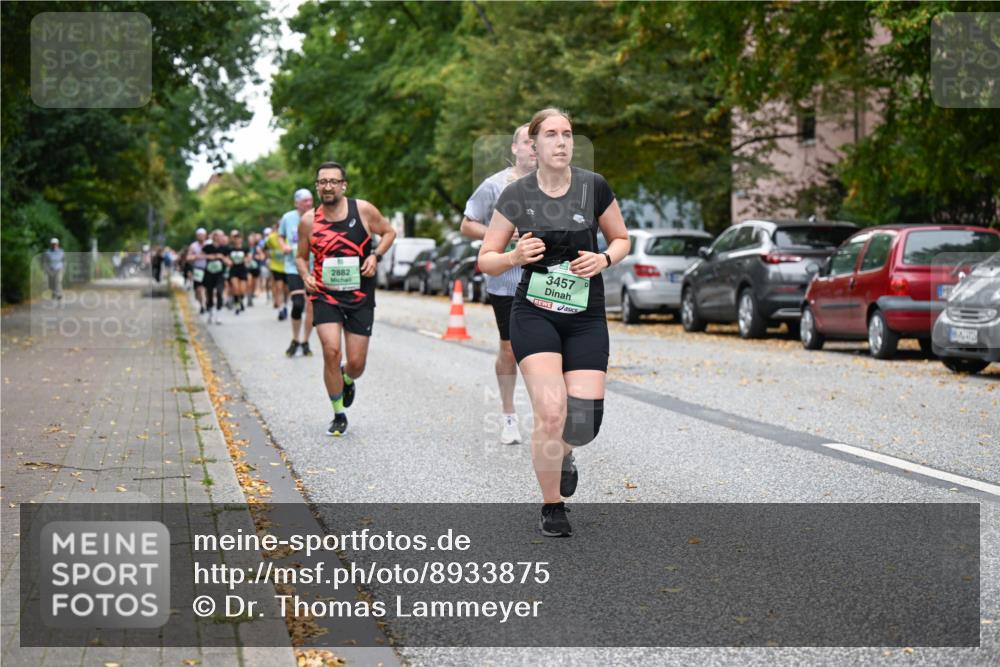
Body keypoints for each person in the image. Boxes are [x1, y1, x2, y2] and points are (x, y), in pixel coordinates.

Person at [478, 108, 629, 538]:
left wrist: (604, 259)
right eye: (551, 134)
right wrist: (513, 256)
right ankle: (552, 506)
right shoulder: (516, 194)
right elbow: (486, 259)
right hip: (535, 313)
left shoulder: (593, 187)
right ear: (534, 144)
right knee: (550, 412)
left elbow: (621, 239)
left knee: (583, 424)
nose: (561, 142)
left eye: (567, 134)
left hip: (585, 316)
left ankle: (564, 454)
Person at [298, 161, 396, 437]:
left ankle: (346, 377)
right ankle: (338, 413)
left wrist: (375, 256)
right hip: (325, 295)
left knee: (356, 364)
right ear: (317, 187)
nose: (328, 186)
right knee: (331, 351)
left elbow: (389, 232)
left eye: (333, 181)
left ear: (343, 185)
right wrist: (305, 275)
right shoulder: (309, 221)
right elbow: (300, 257)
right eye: (323, 182)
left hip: (360, 296)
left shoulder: (363, 210)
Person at [460, 123, 536, 445]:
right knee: (510, 348)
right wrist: (500, 234)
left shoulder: (557, 184)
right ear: (515, 148)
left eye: (538, 141)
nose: (534, 148)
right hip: (506, 280)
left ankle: (547, 415)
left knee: (546, 348)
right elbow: (467, 225)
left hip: (546, 279)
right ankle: (508, 415)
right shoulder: (494, 185)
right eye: (527, 142)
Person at [280, 189, 316, 357]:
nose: (308, 203)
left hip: (313, 267)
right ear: (297, 203)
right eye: (305, 201)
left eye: (310, 200)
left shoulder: (318, 216)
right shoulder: (288, 218)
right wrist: (284, 246)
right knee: (298, 303)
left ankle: (305, 341)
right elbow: (280, 236)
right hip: (293, 266)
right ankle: (295, 339)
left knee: (310, 306)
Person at [201, 229, 232, 324]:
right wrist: (209, 256)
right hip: (209, 273)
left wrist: (222, 257)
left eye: (223, 236)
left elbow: (230, 263)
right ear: (215, 237)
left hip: (219, 274)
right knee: (209, 293)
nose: (222, 237)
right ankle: (210, 312)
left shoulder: (225, 249)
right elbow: (199, 256)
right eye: (220, 235)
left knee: (219, 292)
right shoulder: (207, 247)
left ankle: (219, 314)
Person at [266, 224, 288, 319]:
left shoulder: (289, 236)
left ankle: (285, 305)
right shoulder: (271, 238)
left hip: (287, 267)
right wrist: (268, 257)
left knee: (286, 289)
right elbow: (265, 248)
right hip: (276, 266)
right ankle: (280, 309)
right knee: (279, 287)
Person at [227, 229, 249, 314]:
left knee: (242, 290)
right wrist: (228, 261)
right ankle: (237, 305)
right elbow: (226, 257)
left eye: (239, 238)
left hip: (242, 270)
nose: (237, 240)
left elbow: (249, 257)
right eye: (235, 239)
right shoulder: (230, 249)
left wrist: (246, 259)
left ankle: (240, 300)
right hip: (234, 270)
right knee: (235, 288)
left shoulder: (245, 249)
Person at [189, 228, 209, 313]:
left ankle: (207, 302)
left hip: (208, 269)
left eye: (202, 235)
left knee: (207, 289)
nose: (201, 237)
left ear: (205, 236)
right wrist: (196, 256)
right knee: (198, 290)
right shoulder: (193, 246)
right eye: (199, 235)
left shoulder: (209, 244)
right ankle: (201, 305)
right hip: (198, 269)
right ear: (196, 236)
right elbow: (188, 257)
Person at [246, 231, 263, 306]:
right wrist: (247, 259)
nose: (251, 240)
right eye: (250, 239)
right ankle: (249, 297)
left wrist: (256, 257)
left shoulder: (257, 248)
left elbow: (262, 257)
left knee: (253, 284)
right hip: (248, 268)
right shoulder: (246, 248)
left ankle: (251, 296)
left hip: (255, 268)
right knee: (249, 282)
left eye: (252, 239)